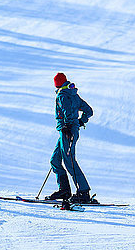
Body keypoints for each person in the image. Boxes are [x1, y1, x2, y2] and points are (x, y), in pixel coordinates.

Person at [46, 72, 96, 203]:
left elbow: (67, 112)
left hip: (67, 131)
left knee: (69, 161)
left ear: (56, 84)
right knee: (55, 160)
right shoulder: (73, 94)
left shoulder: (62, 95)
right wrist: (80, 121)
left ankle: (83, 192)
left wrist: (69, 125)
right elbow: (89, 111)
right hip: (67, 131)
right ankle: (64, 190)